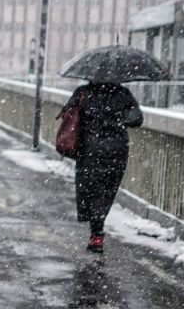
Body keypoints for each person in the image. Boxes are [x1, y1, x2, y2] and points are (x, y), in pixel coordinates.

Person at [61, 81, 143, 253]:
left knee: (89, 188)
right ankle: (98, 228)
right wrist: (119, 118)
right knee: (108, 189)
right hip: (117, 150)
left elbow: (67, 113)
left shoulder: (83, 92)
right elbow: (137, 119)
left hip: (89, 149)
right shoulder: (123, 94)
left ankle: (96, 230)